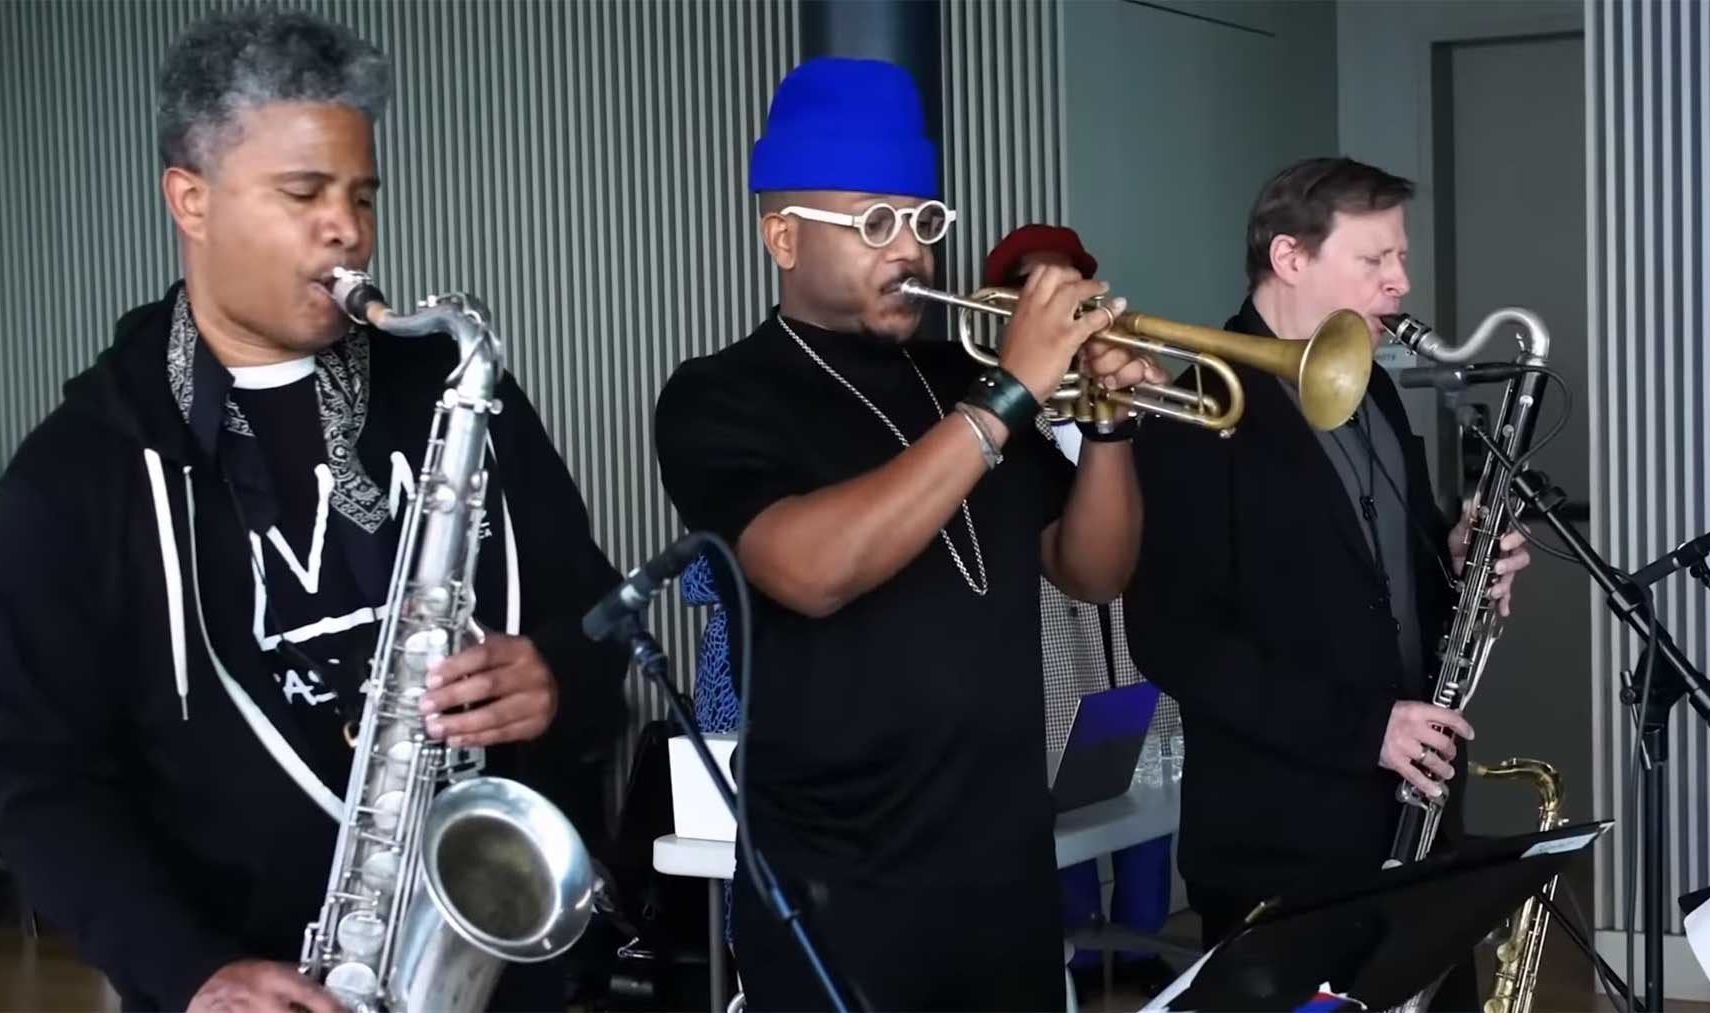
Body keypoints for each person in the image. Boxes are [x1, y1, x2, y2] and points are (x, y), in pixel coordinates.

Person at [0, 10, 627, 1012]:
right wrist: (191, 969)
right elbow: (41, 787)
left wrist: (559, 671)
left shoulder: (456, 383)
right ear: (190, 201)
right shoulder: (72, 482)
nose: (349, 229)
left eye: (362, 193)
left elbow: (595, 614)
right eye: (304, 193)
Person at [653, 57, 1161, 1012]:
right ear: (783, 236)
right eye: (876, 224)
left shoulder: (958, 373)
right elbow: (808, 570)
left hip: (1005, 874)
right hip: (836, 892)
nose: (913, 253)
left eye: (926, 224)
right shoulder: (720, 394)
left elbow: (1094, 570)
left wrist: (1108, 423)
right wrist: (1008, 397)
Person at [1122, 156, 1531, 1006]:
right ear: (1290, 259)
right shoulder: (1201, 408)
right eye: (1375, 260)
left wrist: (1457, 566)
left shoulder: (1374, 390)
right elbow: (1174, 638)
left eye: (1401, 258)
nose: (1402, 281)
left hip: (1412, 818)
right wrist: (1364, 729)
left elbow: (1389, 586)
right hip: (1282, 844)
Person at [984, 224, 1176, 991]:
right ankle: (1068, 943)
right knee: (1062, 792)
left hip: (1130, 632)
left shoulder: (1130, 388)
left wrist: (1143, 404)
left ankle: (1139, 946)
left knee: (1147, 782)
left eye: (1078, 293)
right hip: (1048, 640)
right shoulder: (1005, 416)